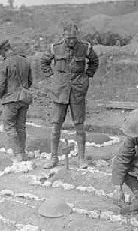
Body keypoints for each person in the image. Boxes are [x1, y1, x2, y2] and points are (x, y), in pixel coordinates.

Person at [40, 23, 99, 168]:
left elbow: (94, 61)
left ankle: (81, 159)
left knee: (79, 124)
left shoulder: (85, 47)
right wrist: (52, 77)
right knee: (56, 125)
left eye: (74, 38)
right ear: (63, 36)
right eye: (69, 38)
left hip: (78, 90)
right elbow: (44, 62)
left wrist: (88, 75)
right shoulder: (55, 47)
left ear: (77, 36)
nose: (71, 41)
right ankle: (53, 158)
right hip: (59, 91)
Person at [0, 40, 33, 162]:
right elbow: (30, 81)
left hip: (11, 98)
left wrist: (1, 96)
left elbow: (0, 85)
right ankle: (22, 152)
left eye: (1, 53)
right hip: (25, 98)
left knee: (9, 126)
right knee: (21, 126)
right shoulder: (25, 61)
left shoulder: (5, 63)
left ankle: (18, 154)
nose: (2, 56)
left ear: (5, 50)